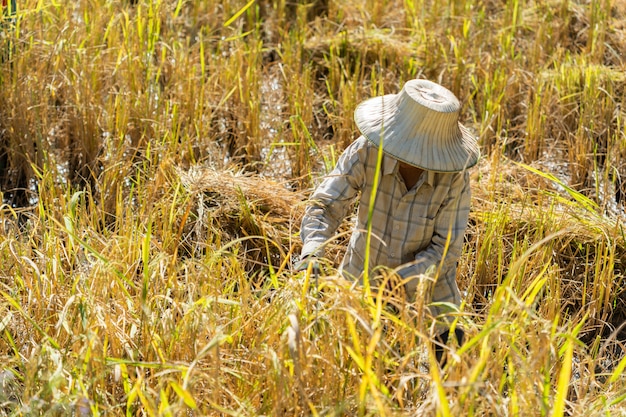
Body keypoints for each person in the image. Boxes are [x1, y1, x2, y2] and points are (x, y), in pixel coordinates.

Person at [296, 78, 480, 365]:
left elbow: (446, 248)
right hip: (362, 285)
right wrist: (314, 248)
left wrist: (400, 281)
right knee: (364, 373)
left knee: (449, 378)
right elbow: (327, 204)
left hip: (430, 295)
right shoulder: (367, 151)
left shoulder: (453, 177)